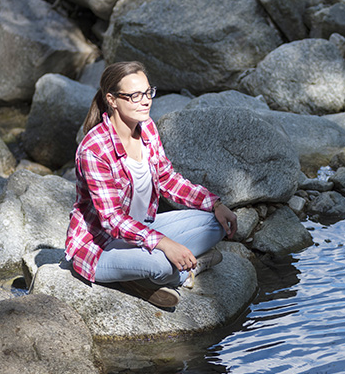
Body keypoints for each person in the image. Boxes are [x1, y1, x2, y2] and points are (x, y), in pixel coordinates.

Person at [65, 61, 237, 308]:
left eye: (148, 93)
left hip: (142, 229)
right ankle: (166, 273)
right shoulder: (94, 150)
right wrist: (166, 244)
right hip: (101, 245)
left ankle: (153, 274)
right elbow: (112, 219)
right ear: (112, 100)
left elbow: (167, 179)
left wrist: (215, 203)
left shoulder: (147, 128)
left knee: (216, 224)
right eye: (135, 96)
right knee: (160, 263)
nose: (145, 101)